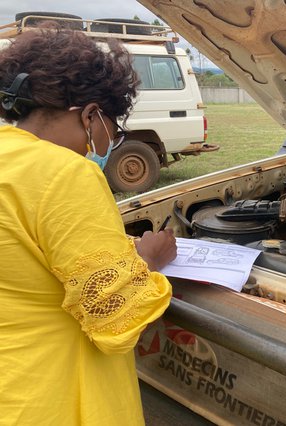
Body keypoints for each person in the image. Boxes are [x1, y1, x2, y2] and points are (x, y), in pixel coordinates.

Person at [0, 26, 177, 425]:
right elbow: (114, 320)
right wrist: (148, 258)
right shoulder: (65, 174)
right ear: (91, 114)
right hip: (53, 394)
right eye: (112, 129)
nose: (106, 142)